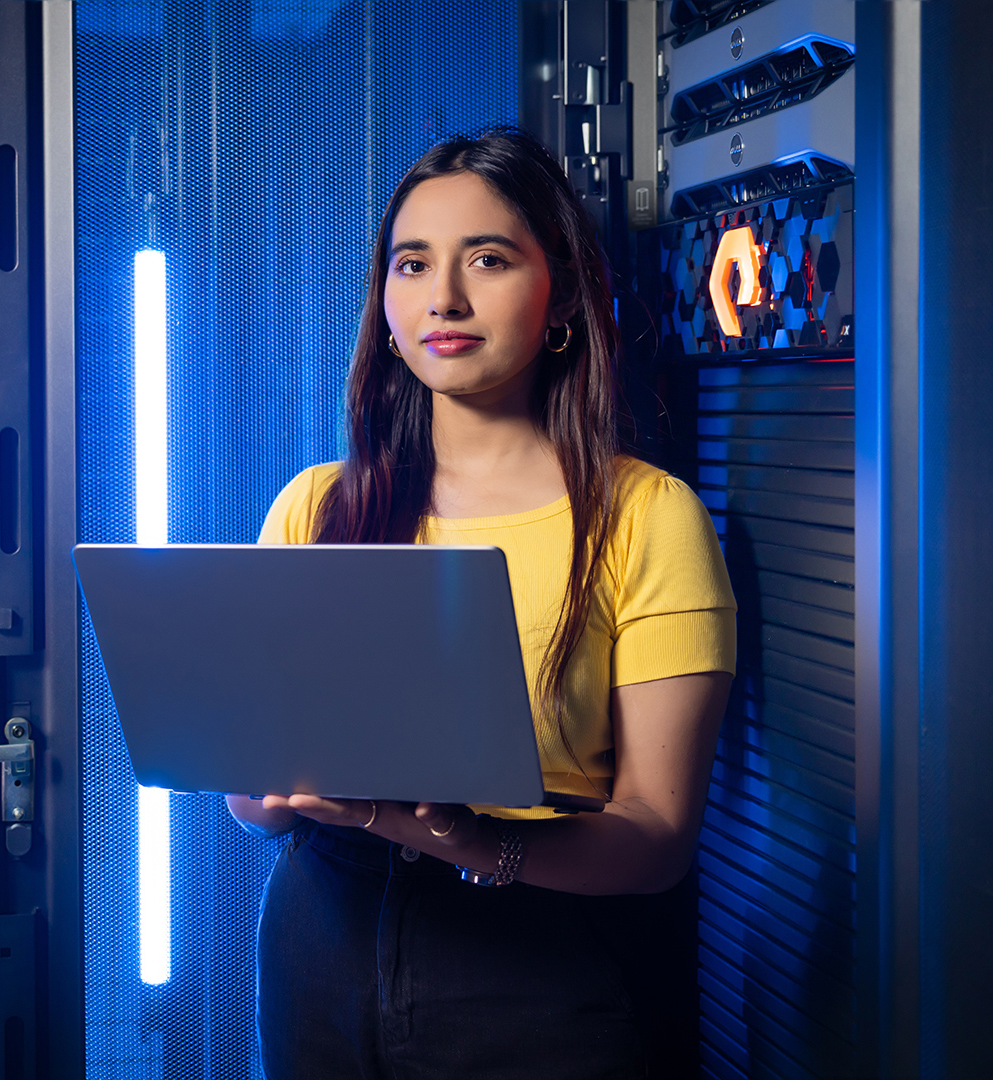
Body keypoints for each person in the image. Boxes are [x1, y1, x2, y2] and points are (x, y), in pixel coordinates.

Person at [226, 127, 736, 1080]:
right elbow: (258, 807)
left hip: (543, 964)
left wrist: (459, 832)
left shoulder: (645, 516)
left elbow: (659, 838)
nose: (443, 299)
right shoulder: (317, 504)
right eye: (411, 264)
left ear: (564, 298)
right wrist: (260, 778)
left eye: (488, 260)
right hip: (321, 942)